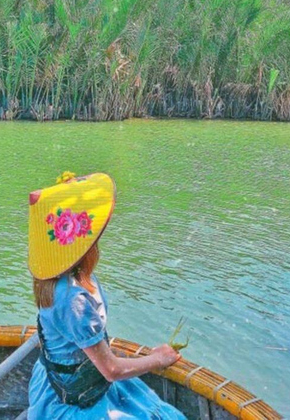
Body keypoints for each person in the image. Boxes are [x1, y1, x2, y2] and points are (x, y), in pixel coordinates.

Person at [27, 172, 186, 419]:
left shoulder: (57, 277)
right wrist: (157, 359)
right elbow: (111, 370)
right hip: (76, 399)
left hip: (65, 380)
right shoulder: (73, 300)